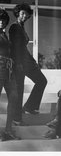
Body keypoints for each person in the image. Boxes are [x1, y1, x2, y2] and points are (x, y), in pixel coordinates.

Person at [9, 3, 47, 125]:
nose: (25, 16)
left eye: (27, 14)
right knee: (19, 90)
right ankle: (17, 119)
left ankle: (30, 106)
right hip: (19, 63)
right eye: (22, 13)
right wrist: (18, 63)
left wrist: (33, 61)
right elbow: (15, 48)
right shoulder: (14, 27)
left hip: (26, 62)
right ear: (18, 13)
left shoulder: (21, 27)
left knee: (42, 80)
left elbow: (23, 49)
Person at [0, 9, 20, 141]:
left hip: (8, 70)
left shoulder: (4, 35)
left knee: (14, 97)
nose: (1, 22)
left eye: (3, 20)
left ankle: (8, 130)